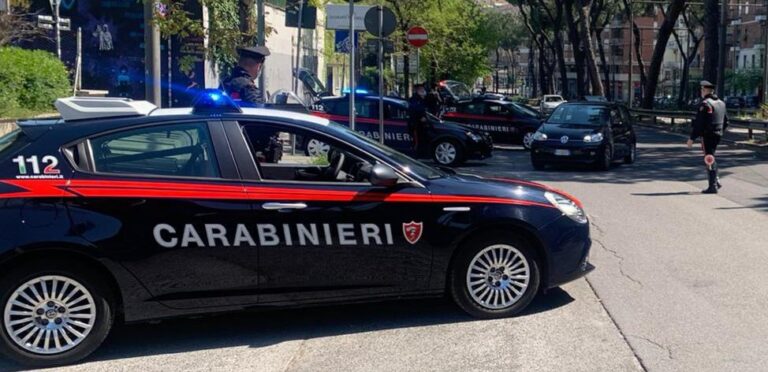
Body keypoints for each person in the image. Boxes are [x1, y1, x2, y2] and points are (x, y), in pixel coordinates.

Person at [687, 80, 728, 194]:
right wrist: (720, 131)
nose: (701, 92)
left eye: (702, 90)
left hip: (707, 135)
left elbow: (699, 123)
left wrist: (692, 138)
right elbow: (726, 121)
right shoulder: (721, 103)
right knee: (711, 156)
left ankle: (712, 186)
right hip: (717, 134)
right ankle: (716, 180)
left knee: (708, 158)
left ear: (705, 90)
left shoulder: (705, 104)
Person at [408, 84, 429, 155]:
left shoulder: (421, 99)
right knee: (416, 142)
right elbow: (414, 110)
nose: (423, 91)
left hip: (420, 125)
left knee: (420, 140)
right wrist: (420, 117)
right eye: (421, 90)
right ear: (418, 90)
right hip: (416, 124)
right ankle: (415, 155)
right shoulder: (415, 99)